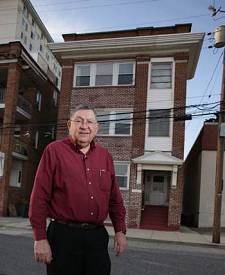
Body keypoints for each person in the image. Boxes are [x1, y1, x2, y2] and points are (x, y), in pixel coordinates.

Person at [29, 104, 127, 275]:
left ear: (97, 128)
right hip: (63, 238)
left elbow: (114, 198)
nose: (84, 126)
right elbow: (39, 197)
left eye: (90, 122)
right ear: (69, 125)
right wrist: (40, 238)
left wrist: (120, 230)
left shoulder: (105, 157)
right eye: (79, 121)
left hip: (96, 238)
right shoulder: (54, 151)